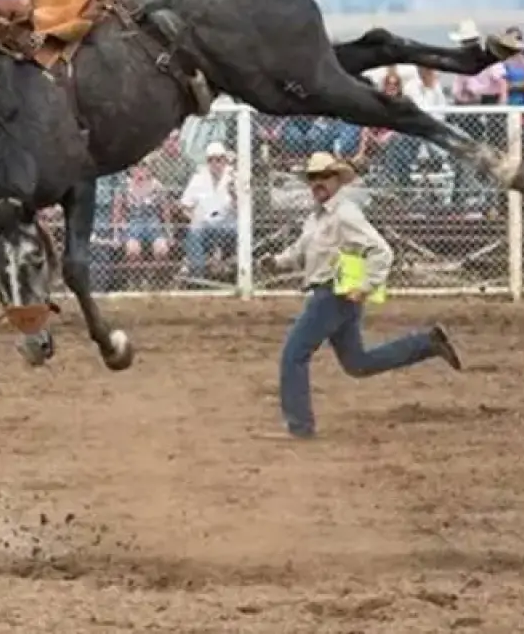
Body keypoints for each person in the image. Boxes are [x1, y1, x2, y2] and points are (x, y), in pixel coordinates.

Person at [260, 152, 462, 439]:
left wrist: (367, 285)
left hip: (333, 294)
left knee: (294, 355)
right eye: (313, 178)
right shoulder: (319, 216)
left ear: (336, 181)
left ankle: (300, 427)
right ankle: (427, 343)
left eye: (323, 177)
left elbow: (381, 251)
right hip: (338, 295)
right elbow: (301, 250)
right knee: (358, 363)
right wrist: (277, 261)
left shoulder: (344, 214)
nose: (317, 183)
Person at [180, 141, 236, 276]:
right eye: (211, 160)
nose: (215, 164)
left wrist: (234, 195)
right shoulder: (198, 179)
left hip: (227, 224)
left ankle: (221, 263)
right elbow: (184, 206)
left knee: (233, 230)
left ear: (224, 160)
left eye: (219, 159)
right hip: (204, 225)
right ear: (207, 162)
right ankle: (197, 271)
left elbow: (241, 207)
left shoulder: (234, 178)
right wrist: (195, 219)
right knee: (194, 233)